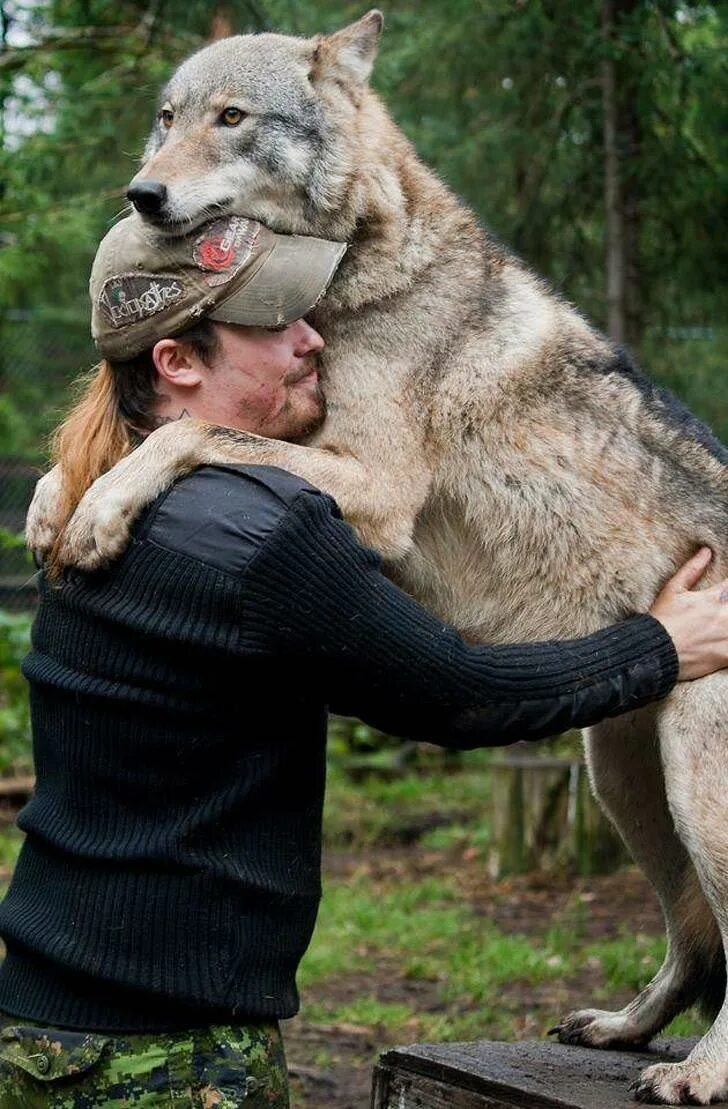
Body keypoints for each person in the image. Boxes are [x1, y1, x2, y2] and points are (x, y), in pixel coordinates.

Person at [1, 212, 727, 1108]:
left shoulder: (83, 503)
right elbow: (463, 699)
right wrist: (664, 643)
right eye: (273, 324)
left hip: (39, 1015)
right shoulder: (260, 534)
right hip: (169, 1057)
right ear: (177, 362)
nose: (314, 340)